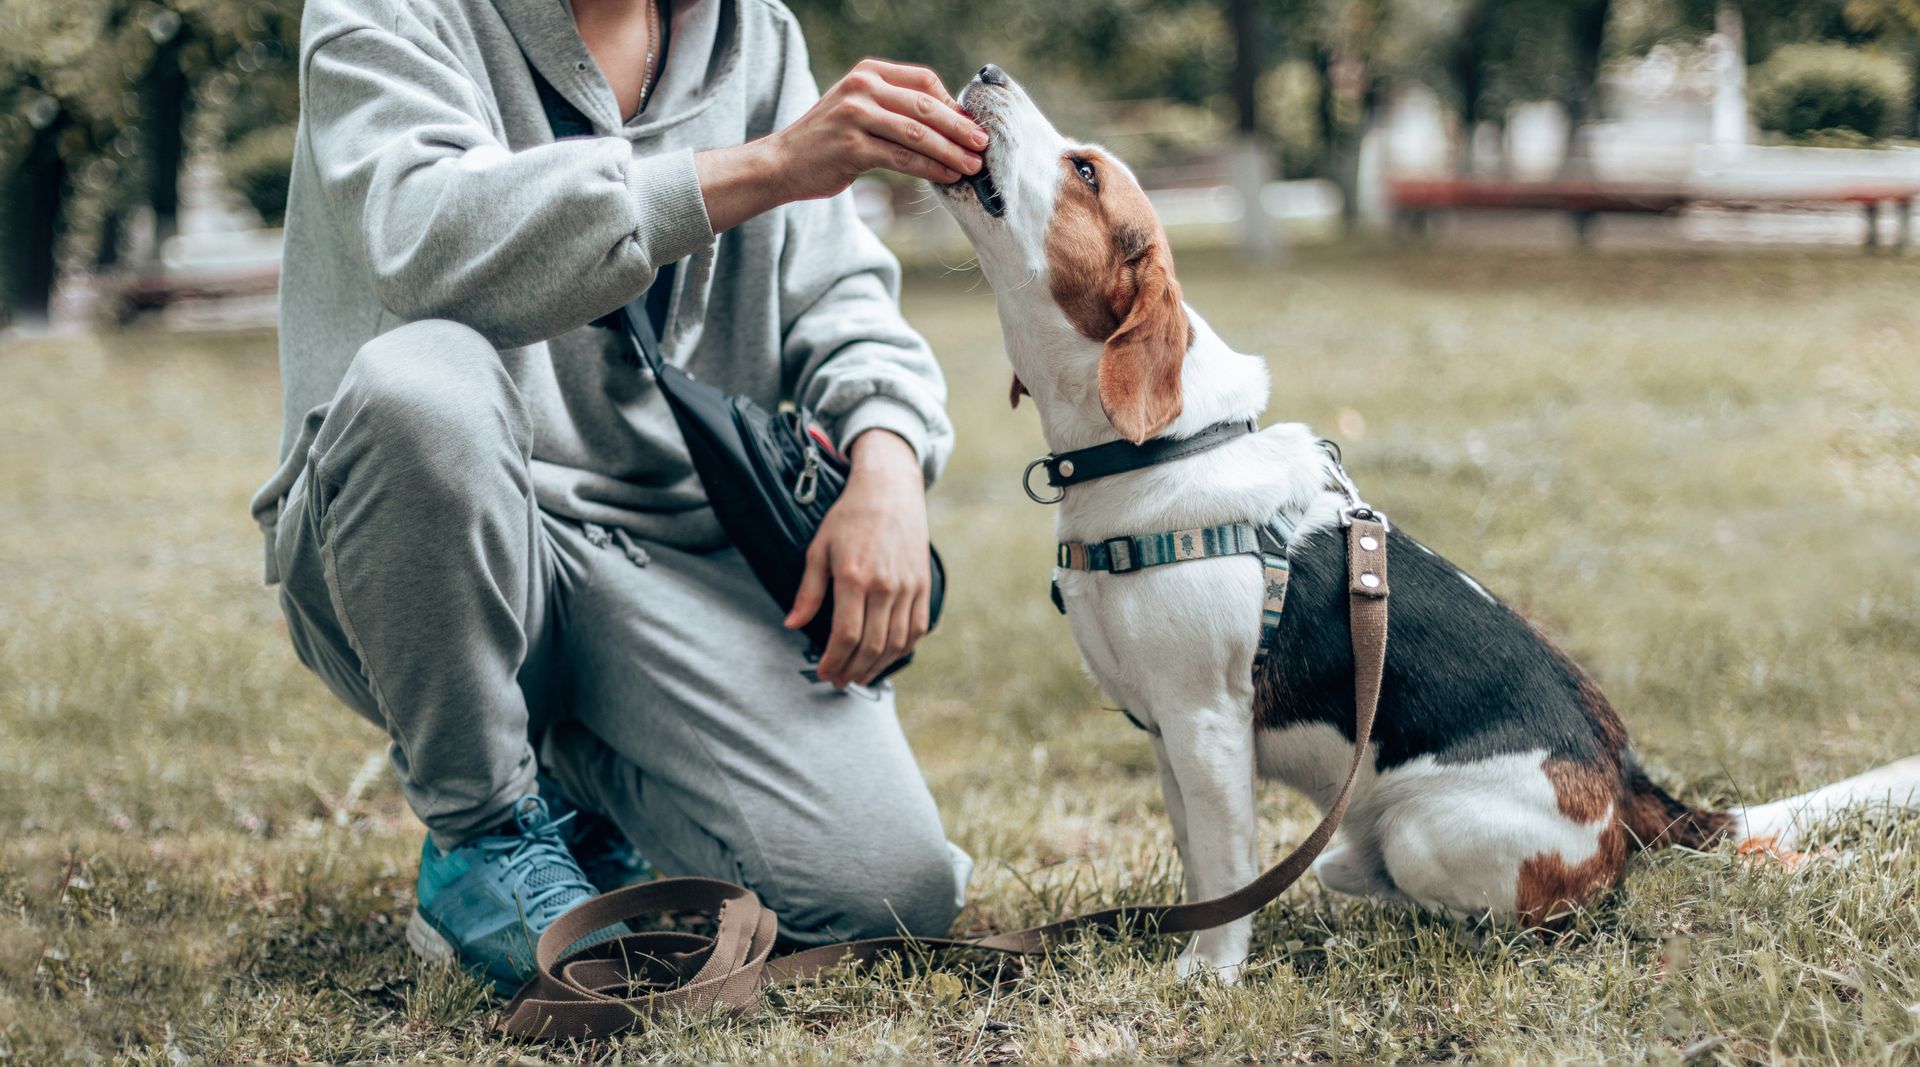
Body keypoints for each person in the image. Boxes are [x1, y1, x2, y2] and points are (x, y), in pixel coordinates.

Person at [248, 0, 990, 992]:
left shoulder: (752, 34)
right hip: (425, 531)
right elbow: (424, 233)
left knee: (889, 890)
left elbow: (837, 295)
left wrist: (889, 456)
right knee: (419, 384)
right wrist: (768, 165)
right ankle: (485, 835)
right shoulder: (381, 12)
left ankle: (586, 788)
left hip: (662, 559)